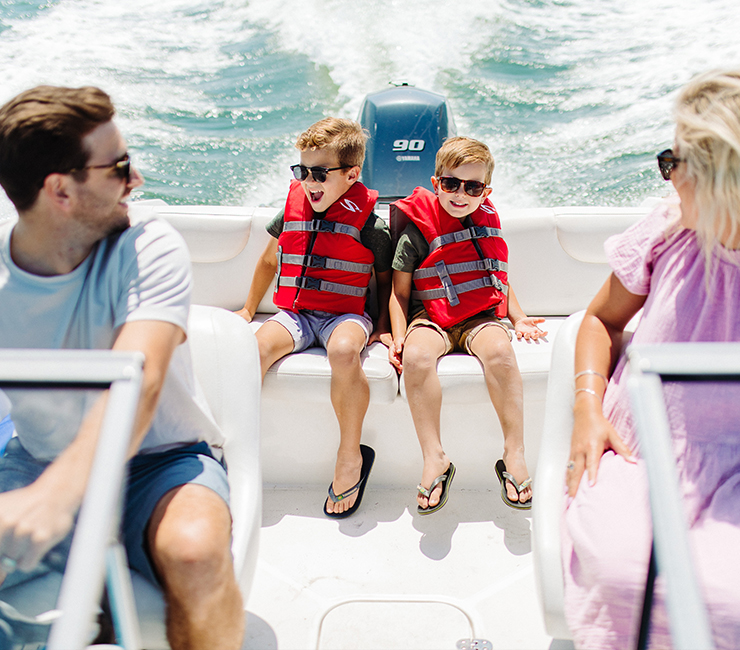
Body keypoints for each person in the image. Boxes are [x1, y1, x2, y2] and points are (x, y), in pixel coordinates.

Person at [0, 86, 244, 648]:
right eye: (120, 168)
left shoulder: (148, 244)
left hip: (160, 462)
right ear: (60, 190)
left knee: (197, 553)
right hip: (37, 459)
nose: (135, 181)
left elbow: (140, 380)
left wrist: (58, 499)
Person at [563, 69, 740, 649]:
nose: (669, 177)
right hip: (643, 449)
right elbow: (599, 320)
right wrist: (589, 410)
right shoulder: (667, 231)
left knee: (725, 600)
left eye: (676, 162)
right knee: (623, 574)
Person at [235, 117, 393, 518]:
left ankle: (350, 455)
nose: (309, 181)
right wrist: (249, 310)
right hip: (297, 313)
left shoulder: (371, 224)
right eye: (302, 171)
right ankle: (232, 449)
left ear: (352, 174)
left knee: (343, 353)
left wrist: (387, 329)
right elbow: (269, 261)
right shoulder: (291, 210)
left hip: (346, 315)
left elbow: (387, 281)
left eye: (320, 172)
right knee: (250, 350)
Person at [388, 136, 546, 514]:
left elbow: (496, 275)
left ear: (486, 191)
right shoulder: (415, 233)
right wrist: (397, 338)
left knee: (501, 353)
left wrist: (518, 316)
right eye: (451, 184)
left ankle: (514, 452)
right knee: (418, 358)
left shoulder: (486, 221)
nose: (460, 194)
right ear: (435, 182)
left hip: (480, 315)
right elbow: (398, 294)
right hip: (431, 317)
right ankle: (435, 458)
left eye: (472, 187)